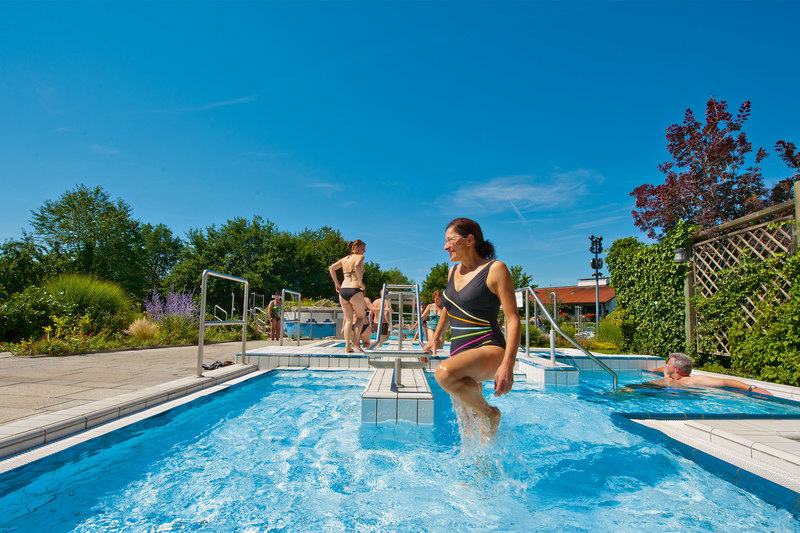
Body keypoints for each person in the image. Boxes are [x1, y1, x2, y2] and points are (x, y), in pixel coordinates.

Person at [424, 217, 520, 438]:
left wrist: (508, 365)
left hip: (488, 347)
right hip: (459, 348)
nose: (445, 246)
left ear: (469, 240)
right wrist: (436, 338)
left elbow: (513, 319)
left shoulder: (495, 269)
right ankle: (482, 466)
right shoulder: (452, 271)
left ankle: (491, 413)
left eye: (450, 240)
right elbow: (450, 306)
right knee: (469, 424)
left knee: (445, 374)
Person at [647, 352, 772, 395]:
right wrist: (652, 371)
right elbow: (663, 368)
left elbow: (725, 382)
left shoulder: (693, 381)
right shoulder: (668, 374)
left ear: (676, 369)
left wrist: (751, 388)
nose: (666, 366)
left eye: (669, 364)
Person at [328, 239, 367, 353]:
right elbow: (357, 265)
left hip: (343, 291)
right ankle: (355, 341)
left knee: (349, 320)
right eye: (363, 248)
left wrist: (337, 283)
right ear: (356, 247)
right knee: (360, 317)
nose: (364, 251)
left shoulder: (344, 259)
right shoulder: (359, 257)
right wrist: (361, 283)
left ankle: (347, 346)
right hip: (355, 289)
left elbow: (331, 268)